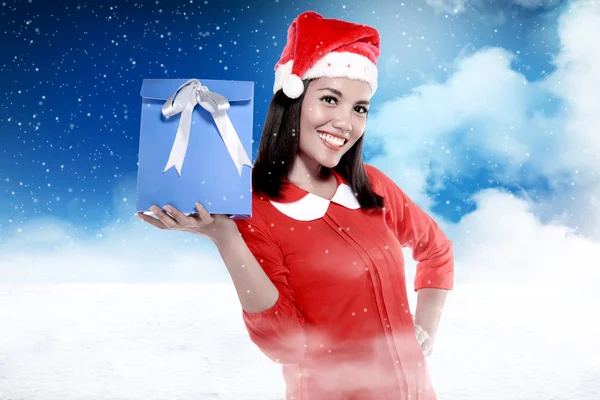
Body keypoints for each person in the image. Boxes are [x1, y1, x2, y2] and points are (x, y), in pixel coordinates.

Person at [137, 10, 454, 400]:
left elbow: (437, 251)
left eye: (359, 108)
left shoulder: (372, 186)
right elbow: (286, 345)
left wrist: (426, 328)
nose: (345, 122)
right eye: (329, 100)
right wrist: (227, 239)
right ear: (292, 99)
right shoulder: (252, 206)